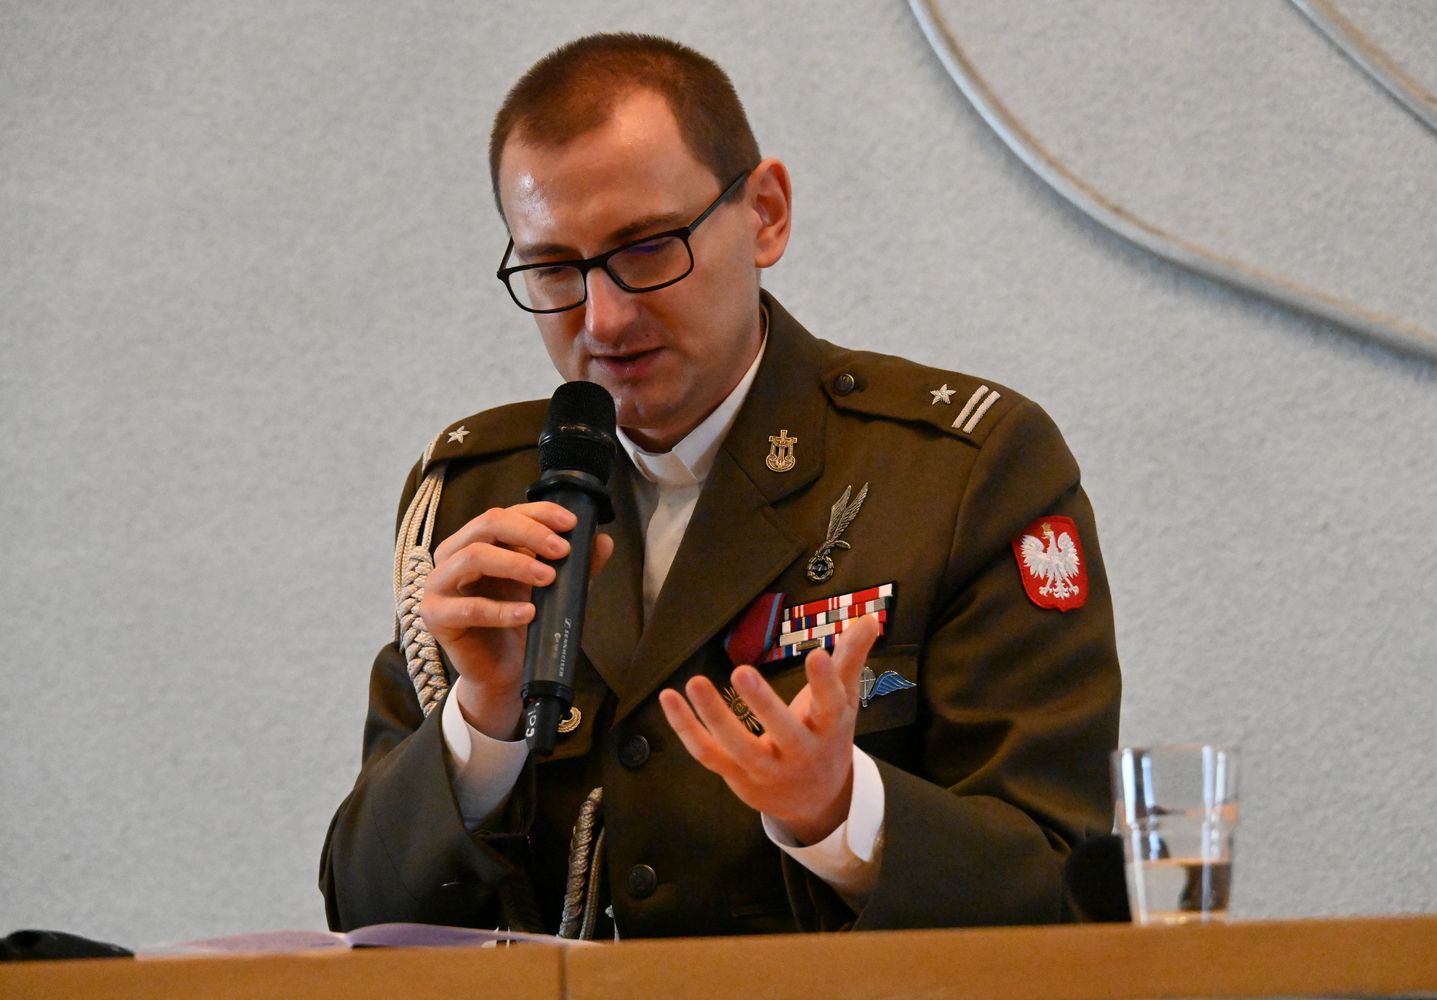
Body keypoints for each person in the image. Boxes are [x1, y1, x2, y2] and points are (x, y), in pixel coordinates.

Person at [320, 32, 1120, 938]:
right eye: (553, 269)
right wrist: (484, 723)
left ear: (765, 215)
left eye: (647, 248)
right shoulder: (474, 496)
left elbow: (1067, 896)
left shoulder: (961, 473)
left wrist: (840, 813)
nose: (604, 318)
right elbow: (363, 915)